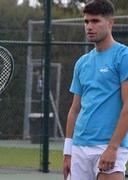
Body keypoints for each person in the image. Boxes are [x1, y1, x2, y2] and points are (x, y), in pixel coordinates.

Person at [63, 0, 128, 180]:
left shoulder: (123, 56)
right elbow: (74, 110)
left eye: (95, 21)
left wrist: (113, 148)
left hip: (108, 147)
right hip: (78, 148)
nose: (89, 26)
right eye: (86, 22)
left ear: (110, 22)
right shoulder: (82, 63)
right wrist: (68, 153)